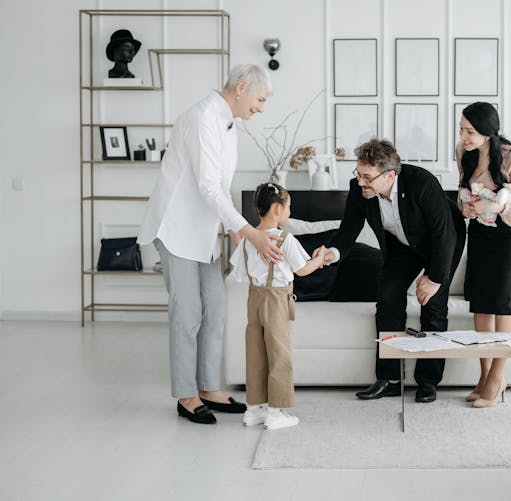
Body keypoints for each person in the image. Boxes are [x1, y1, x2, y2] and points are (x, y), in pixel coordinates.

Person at [138, 64, 285, 425]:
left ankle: (208, 388)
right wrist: (249, 231)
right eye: (260, 99)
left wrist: (232, 228)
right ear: (240, 87)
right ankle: (186, 396)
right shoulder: (202, 117)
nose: (261, 108)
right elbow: (207, 186)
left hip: (203, 230)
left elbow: (217, 187)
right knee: (187, 313)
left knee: (215, 309)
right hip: (176, 229)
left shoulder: (229, 123)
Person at [315, 139, 465, 403]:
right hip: (401, 246)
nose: (361, 182)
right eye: (358, 174)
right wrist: (333, 253)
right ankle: (390, 379)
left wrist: (435, 278)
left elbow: (444, 234)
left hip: (441, 243)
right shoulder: (359, 190)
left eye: (367, 177)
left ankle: (428, 382)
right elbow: (349, 228)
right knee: (387, 298)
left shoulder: (422, 183)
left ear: (390, 175)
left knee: (433, 306)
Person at [228, 183, 326, 430]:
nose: (289, 212)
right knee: (280, 355)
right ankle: (275, 412)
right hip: (277, 301)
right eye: (289, 207)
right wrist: (320, 260)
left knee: (256, 354)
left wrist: (239, 241)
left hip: (254, 300)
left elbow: (238, 274)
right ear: (277, 208)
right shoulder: (285, 239)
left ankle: (253, 410)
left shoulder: (250, 240)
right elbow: (302, 269)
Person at [456, 102, 511, 408]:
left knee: (502, 306)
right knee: (481, 306)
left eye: (470, 131)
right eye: (461, 129)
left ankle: (498, 377)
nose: (464, 136)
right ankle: (486, 376)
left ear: (488, 132)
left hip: (509, 237)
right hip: (481, 234)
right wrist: (468, 207)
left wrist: (497, 207)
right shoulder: (463, 152)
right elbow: (463, 189)